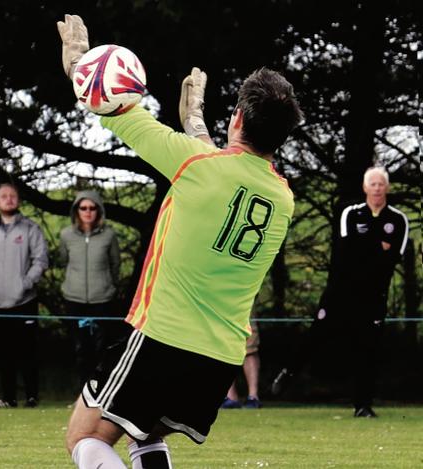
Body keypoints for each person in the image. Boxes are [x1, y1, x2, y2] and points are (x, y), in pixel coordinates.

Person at [58, 14, 302, 468]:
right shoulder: (282, 197)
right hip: (219, 358)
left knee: (86, 438)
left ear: (239, 118)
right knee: (145, 435)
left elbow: (117, 112)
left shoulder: (196, 166)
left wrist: (79, 68)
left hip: (161, 337)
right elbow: (225, 168)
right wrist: (196, 125)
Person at [271, 166, 409, 418]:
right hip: (341, 291)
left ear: (387, 187)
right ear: (365, 187)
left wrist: (369, 248)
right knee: (317, 334)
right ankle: (288, 372)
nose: (377, 188)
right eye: (373, 184)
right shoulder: (351, 213)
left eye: (381, 184)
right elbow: (347, 253)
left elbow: (391, 260)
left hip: (374, 295)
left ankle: (362, 405)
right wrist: (377, 246)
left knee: (368, 349)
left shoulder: (398, 219)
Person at [0, 183, 48, 408]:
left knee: (28, 353)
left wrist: (26, 283)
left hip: (24, 301)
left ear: (18, 201)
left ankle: (31, 396)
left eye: (12, 196)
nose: (8, 199)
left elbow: (40, 260)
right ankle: (7, 398)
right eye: (3, 196)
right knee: (3, 354)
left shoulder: (30, 228)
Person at [58, 190, 121, 386]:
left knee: (102, 348)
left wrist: (109, 286)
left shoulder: (109, 235)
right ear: (76, 211)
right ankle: (82, 394)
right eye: (83, 208)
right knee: (81, 348)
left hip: (102, 299)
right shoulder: (66, 235)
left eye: (92, 208)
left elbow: (115, 264)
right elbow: (63, 261)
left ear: (99, 210)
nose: (88, 212)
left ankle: (101, 393)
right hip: (74, 300)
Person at [220, 326, 261, 409]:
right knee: (224, 348)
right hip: (222, 315)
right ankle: (230, 397)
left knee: (250, 349)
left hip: (245, 315)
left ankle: (253, 398)